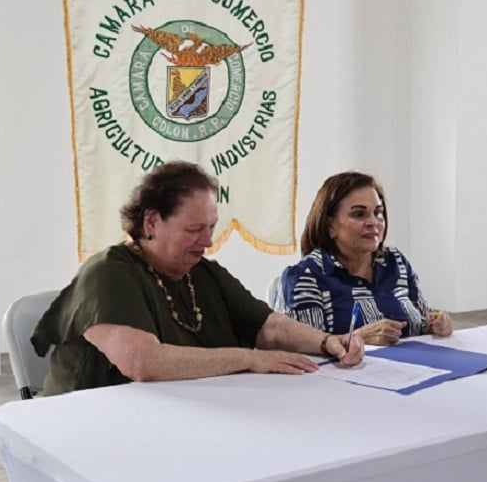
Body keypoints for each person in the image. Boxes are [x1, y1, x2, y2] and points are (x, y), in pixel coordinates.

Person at [31, 161, 363, 395]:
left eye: (211, 228)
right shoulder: (108, 272)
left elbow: (269, 327)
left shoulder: (203, 274)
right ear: (151, 223)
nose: (207, 241)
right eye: (193, 230)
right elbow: (143, 362)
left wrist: (326, 342)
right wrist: (248, 359)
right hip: (89, 423)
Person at [280, 171, 453, 345]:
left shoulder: (396, 262)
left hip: (414, 368)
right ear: (330, 225)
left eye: (378, 213)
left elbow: (423, 318)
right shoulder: (307, 276)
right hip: (346, 372)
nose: (373, 222)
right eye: (359, 214)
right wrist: (357, 338)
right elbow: (307, 347)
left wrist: (436, 323)